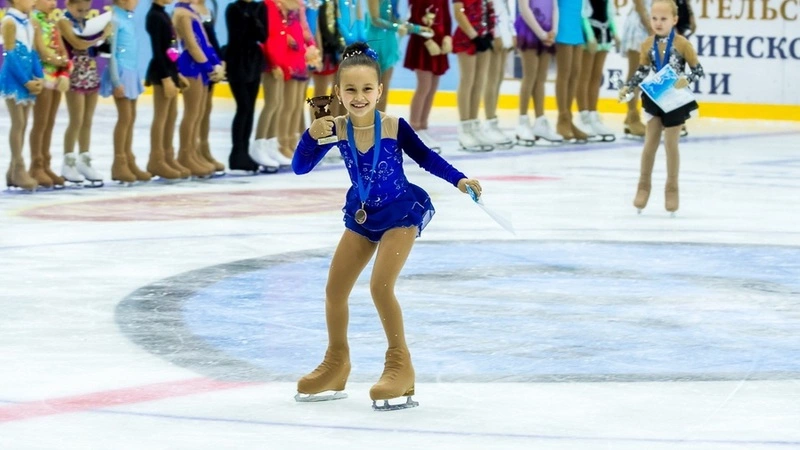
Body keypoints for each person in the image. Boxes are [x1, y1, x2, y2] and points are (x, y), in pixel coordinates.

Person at [292, 42, 482, 409]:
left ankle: (400, 366)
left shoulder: (394, 126)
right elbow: (300, 167)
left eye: (367, 89)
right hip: (363, 214)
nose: (359, 97)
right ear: (338, 93)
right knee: (334, 290)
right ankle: (336, 363)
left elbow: (426, 158)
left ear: (379, 90)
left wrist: (459, 180)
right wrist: (310, 136)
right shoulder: (336, 129)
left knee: (380, 287)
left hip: (400, 214)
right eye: (351, 89)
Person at [618, 0, 703, 216]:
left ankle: (672, 189)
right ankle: (643, 186)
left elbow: (697, 70)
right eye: (654, 18)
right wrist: (629, 87)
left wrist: (686, 79)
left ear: (674, 20)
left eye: (663, 19)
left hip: (675, 98)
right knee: (650, 144)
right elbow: (641, 70)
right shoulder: (647, 44)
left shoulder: (682, 44)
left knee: (671, 145)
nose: (658, 23)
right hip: (655, 96)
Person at [59, 0, 110, 186]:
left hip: (90, 70)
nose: (83, 13)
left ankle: (84, 160)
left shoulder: (86, 24)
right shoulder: (63, 22)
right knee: (76, 119)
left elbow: (93, 49)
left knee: (88, 119)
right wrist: (103, 34)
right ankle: (68, 162)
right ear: (68, 4)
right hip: (74, 72)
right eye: (79, 10)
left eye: (86, 10)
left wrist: (104, 41)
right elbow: (78, 44)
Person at [101, 0, 150, 184]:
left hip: (131, 71)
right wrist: (116, 80)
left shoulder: (127, 18)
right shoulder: (114, 19)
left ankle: (129, 160)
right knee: (125, 117)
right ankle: (119, 163)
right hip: (120, 72)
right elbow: (111, 53)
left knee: (131, 117)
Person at [0, 0, 44, 191]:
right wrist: (25, 81)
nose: (34, 2)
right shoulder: (9, 22)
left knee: (24, 123)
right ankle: (19, 168)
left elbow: (33, 53)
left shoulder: (29, 22)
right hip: (13, 77)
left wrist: (39, 77)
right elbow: (10, 55)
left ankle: (12, 170)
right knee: (18, 123)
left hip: (27, 77)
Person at [145, 0, 190, 180]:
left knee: (171, 115)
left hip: (170, 70)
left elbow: (171, 48)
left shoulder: (163, 13)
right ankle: (156, 159)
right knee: (161, 116)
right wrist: (165, 77)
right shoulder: (154, 16)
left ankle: (167, 156)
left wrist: (177, 73)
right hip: (161, 71)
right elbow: (157, 50)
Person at [29, 0, 72, 188]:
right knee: (41, 122)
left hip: (55, 75)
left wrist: (64, 68)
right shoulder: (34, 21)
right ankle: (36, 166)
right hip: (42, 74)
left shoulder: (52, 22)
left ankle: (46, 164)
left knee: (50, 121)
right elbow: (42, 52)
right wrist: (59, 61)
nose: (53, 3)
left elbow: (62, 49)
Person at [225, 0, 267, 172]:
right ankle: (237, 153)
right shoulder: (233, 8)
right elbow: (237, 36)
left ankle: (244, 152)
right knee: (243, 107)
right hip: (237, 61)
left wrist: (254, 18)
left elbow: (262, 35)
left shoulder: (258, 8)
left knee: (249, 109)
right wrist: (250, 19)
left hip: (253, 62)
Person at [514, 0, 561, 145]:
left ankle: (540, 121)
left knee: (541, 79)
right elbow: (524, 9)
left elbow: (554, 7)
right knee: (530, 77)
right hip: (530, 28)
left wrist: (554, 31)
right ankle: (522, 121)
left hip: (547, 30)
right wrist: (541, 34)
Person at [403, 0, 447, 152]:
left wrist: (447, 37)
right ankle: (414, 127)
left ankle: (423, 126)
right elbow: (413, 21)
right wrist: (427, 40)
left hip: (438, 43)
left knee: (432, 87)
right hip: (422, 45)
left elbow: (446, 17)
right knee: (424, 86)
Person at [452, 0, 495, 151]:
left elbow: (489, 10)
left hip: (484, 36)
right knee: (467, 81)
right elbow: (458, 13)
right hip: (466, 37)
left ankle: (473, 125)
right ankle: (464, 128)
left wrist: (489, 33)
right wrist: (474, 36)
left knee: (479, 82)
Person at [575, 0, 619, 142]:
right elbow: (583, 14)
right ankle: (584, 116)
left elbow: (609, 12)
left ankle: (593, 114)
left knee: (596, 76)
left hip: (604, 33)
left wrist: (615, 32)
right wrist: (589, 35)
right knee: (585, 76)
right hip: (590, 33)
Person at [619, 0, 651, 138]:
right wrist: (650, 27)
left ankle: (630, 117)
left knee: (641, 73)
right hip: (640, 25)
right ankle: (632, 116)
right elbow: (639, 5)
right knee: (635, 72)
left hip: (651, 24)